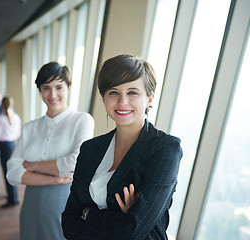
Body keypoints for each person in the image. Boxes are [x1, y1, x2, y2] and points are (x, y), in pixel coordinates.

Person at [61, 54, 183, 240]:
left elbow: (133, 230)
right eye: (113, 92)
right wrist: (120, 216)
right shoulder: (90, 149)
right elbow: (68, 221)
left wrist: (87, 215)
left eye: (132, 92)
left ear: (149, 97)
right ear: (104, 98)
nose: (122, 101)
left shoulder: (165, 149)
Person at [6, 62, 95, 240]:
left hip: (66, 204)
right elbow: (12, 173)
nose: (52, 94)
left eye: (59, 87)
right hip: (31, 205)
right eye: (46, 88)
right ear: (40, 91)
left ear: (69, 87)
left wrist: (31, 166)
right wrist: (53, 179)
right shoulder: (30, 127)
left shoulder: (81, 120)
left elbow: (75, 163)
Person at [0, 96, 21, 208]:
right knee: (13, 172)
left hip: (4, 147)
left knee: (7, 173)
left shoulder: (0, 119)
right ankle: (15, 198)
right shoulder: (16, 117)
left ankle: (11, 200)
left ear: (2, 105)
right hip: (13, 145)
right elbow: (18, 134)